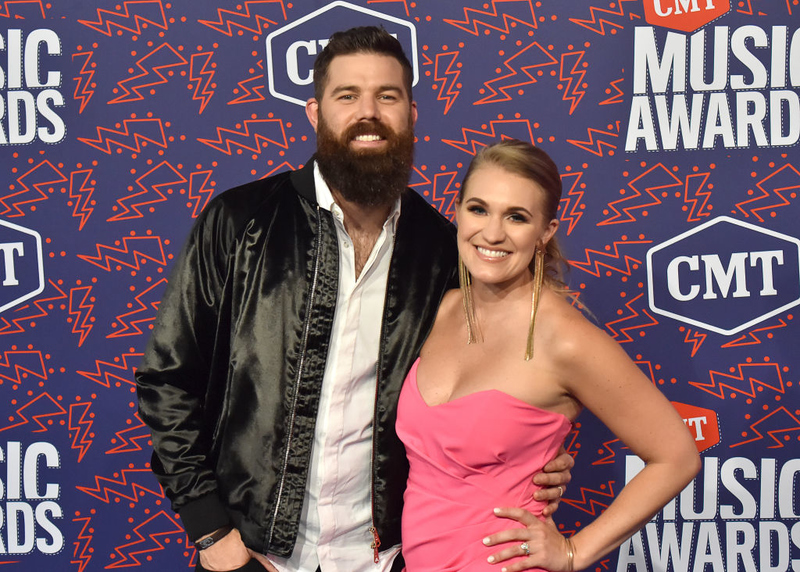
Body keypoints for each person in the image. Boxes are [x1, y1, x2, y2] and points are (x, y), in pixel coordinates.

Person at [135, 28, 573, 572]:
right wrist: (212, 533)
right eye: (348, 96)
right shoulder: (239, 221)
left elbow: (494, 378)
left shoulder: (445, 250)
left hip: (392, 556)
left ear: (412, 113)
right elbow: (167, 381)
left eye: (386, 97)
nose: (369, 113)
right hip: (254, 553)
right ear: (314, 113)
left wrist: (534, 453)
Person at [396, 139, 701, 571]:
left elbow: (677, 456)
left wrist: (576, 551)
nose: (493, 233)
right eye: (478, 209)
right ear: (458, 212)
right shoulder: (440, 310)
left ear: (545, 233)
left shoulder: (566, 340)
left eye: (516, 217)